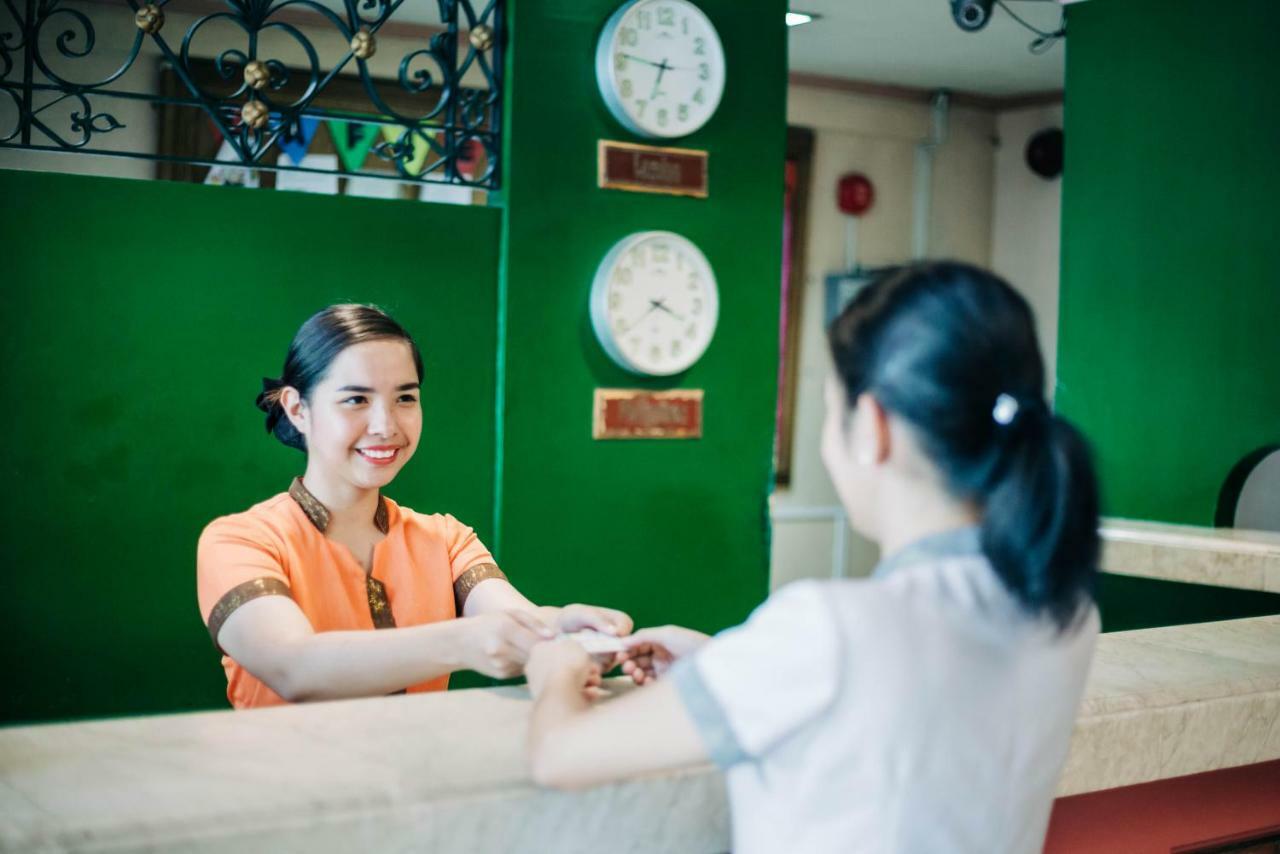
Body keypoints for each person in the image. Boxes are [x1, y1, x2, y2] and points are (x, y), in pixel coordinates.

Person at [525, 262, 1102, 853]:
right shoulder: (1067, 611)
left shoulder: (832, 629)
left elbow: (558, 757)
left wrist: (555, 674)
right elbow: (890, 696)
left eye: (831, 411)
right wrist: (730, 662)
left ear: (872, 426)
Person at [197, 304, 631, 709]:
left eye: (405, 398)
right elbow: (294, 667)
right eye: (356, 400)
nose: (386, 426)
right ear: (298, 409)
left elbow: (513, 619)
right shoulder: (238, 542)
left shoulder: (445, 540)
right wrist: (465, 642)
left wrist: (559, 629)